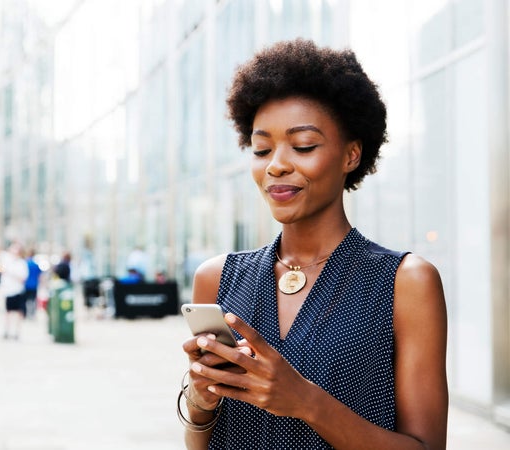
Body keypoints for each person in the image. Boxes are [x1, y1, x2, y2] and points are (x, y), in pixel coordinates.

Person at [180, 39, 448, 449]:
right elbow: (200, 444)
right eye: (261, 148)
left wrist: (306, 402)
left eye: (303, 145)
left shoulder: (404, 283)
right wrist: (200, 404)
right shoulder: (217, 278)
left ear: (351, 155)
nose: (276, 164)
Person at [0, 243, 29, 340]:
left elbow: (23, 278)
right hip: (8, 291)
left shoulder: (22, 263)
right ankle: (7, 331)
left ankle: (16, 332)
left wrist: (12, 274)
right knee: (8, 312)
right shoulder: (7, 262)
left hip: (18, 291)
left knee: (18, 313)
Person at [23, 248, 42, 320]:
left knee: (25, 300)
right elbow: (40, 275)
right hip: (34, 284)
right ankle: (32, 314)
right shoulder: (35, 264)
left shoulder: (25, 263)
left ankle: (26, 313)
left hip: (26, 284)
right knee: (33, 300)